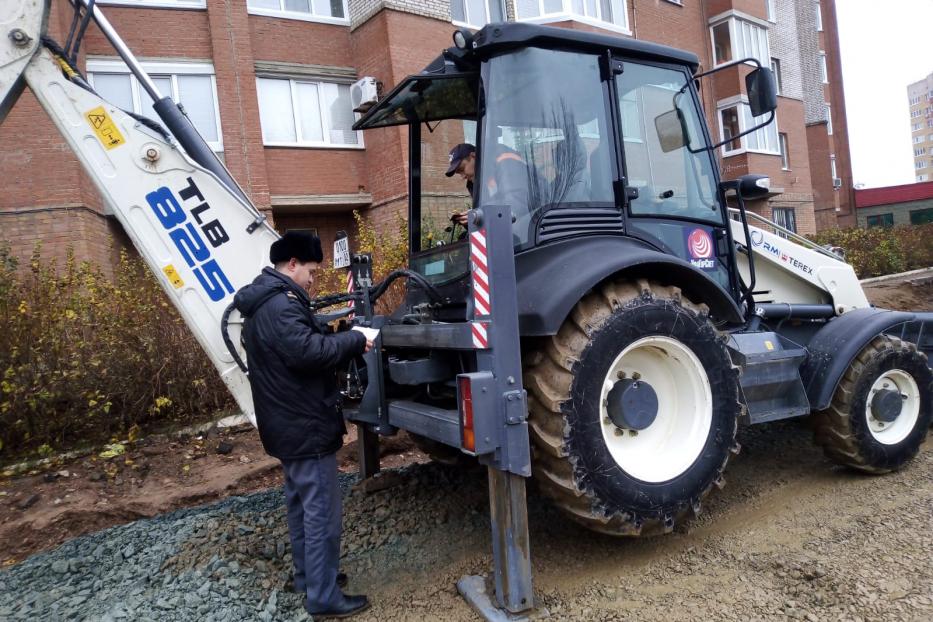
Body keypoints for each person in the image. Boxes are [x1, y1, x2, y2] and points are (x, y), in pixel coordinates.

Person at [233, 231, 373, 619]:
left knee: (300, 506)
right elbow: (308, 353)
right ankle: (324, 597)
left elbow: (297, 348)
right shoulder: (282, 305)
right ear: (292, 264)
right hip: (305, 424)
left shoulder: (266, 302)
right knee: (321, 512)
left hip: (286, 424)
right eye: (311, 271)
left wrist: (338, 336)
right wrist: (355, 340)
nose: (313, 279)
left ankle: (307, 577)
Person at [445, 142, 530, 228]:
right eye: (459, 173)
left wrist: (480, 214)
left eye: (462, 169)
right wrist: (472, 220)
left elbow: (517, 204)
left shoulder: (506, 161)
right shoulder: (479, 181)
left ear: (473, 156)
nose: (463, 176)